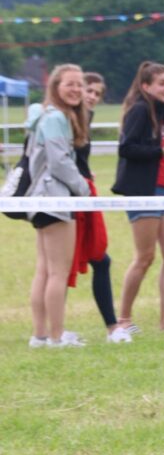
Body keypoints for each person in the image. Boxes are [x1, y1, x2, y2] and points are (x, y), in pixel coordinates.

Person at [112, 61, 164, 331]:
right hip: (143, 190)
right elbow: (127, 149)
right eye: (161, 83)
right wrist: (162, 152)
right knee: (145, 257)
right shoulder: (140, 110)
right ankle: (123, 319)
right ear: (146, 87)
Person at [26, 64, 91, 347]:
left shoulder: (44, 116)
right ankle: (55, 336)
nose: (76, 89)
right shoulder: (55, 119)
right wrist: (84, 188)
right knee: (57, 272)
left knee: (45, 269)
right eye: (70, 84)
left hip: (41, 200)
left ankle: (40, 334)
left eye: (80, 84)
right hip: (53, 198)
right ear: (55, 86)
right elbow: (59, 162)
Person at [74, 72, 133, 343]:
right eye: (89, 90)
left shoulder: (85, 118)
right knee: (67, 263)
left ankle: (111, 326)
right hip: (73, 197)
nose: (92, 97)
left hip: (83, 193)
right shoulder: (68, 119)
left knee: (100, 259)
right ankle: (51, 331)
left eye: (97, 93)